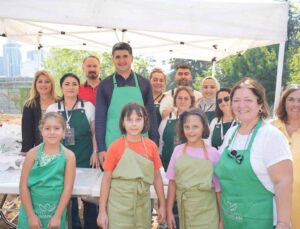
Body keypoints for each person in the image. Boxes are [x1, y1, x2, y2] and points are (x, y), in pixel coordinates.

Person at [215, 78, 293, 229]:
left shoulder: (270, 136)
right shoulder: (231, 133)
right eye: (236, 100)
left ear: (260, 104)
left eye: (248, 100)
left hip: (260, 220)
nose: (241, 105)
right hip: (230, 219)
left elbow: (283, 182)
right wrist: (222, 221)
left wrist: (283, 223)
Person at [97, 103, 166, 229]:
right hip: (118, 206)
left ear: (145, 121)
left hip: (142, 205)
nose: (134, 124)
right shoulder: (115, 147)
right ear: (123, 122)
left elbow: (157, 177)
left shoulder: (151, 146)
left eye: (138, 119)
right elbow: (106, 180)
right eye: (129, 120)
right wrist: (102, 211)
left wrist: (162, 205)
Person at [46, 73, 99, 229]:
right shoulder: (53, 108)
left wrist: (95, 152)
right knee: (68, 197)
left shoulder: (88, 107)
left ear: (79, 87)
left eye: (74, 84)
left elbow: (95, 132)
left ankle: (91, 226)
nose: (71, 87)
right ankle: (73, 225)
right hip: (62, 159)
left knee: (89, 199)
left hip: (85, 156)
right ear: (61, 87)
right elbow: (48, 134)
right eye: (67, 84)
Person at [95, 42, 159, 166]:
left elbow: (151, 116)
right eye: (117, 57)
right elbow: (100, 119)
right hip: (112, 143)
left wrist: (154, 144)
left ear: (132, 58)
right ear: (113, 59)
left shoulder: (144, 83)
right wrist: (101, 148)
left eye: (125, 56)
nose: (121, 60)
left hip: (141, 145)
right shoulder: (104, 85)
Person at [18, 112, 76, 229]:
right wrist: (31, 216)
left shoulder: (69, 156)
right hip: (31, 210)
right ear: (41, 131)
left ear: (64, 132)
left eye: (57, 128)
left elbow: (67, 188)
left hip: (55, 212)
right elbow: (23, 186)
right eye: (47, 128)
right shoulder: (32, 154)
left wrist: (57, 216)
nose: (52, 132)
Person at [166, 108, 222, 229]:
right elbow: (172, 182)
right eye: (187, 127)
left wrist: (222, 220)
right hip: (184, 210)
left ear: (204, 128)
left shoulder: (213, 153)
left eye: (195, 127)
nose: (190, 131)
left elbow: (218, 190)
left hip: (207, 211)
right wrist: (169, 211)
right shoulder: (178, 151)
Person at [273, 84, 300, 229]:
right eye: (291, 99)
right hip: (273, 199)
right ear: (284, 102)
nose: (296, 104)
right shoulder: (270, 128)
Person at [159, 86, 195, 171]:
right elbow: (160, 143)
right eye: (180, 98)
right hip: (167, 166)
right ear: (175, 100)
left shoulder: (197, 120)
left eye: (186, 98)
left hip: (189, 167)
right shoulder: (166, 119)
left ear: (191, 101)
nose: (183, 101)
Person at [21, 70, 58, 153]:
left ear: (52, 84)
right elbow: (27, 132)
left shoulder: (60, 102)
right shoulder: (29, 105)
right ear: (35, 85)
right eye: (40, 82)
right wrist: (26, 151)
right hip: (40, 149)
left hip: (60, 148)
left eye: (47, 82)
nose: (43, 84)